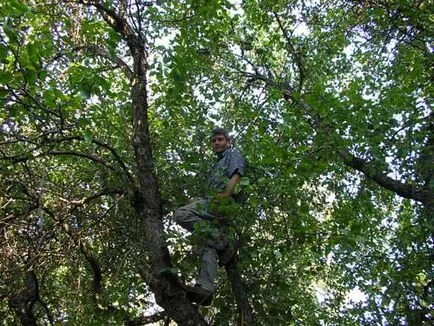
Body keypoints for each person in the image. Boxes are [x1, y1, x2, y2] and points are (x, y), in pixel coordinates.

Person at [173, 128, 246, 305]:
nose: (216, 143)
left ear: (228, 142)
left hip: (223, 204)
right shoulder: (217, 163)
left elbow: (236, 174)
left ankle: (221, 241)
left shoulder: (233, 153)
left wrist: (226, 196)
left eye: (220, 139)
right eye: (214, 141)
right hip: (215, 205)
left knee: (181, 214)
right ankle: (205, 290)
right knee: (208, 245)